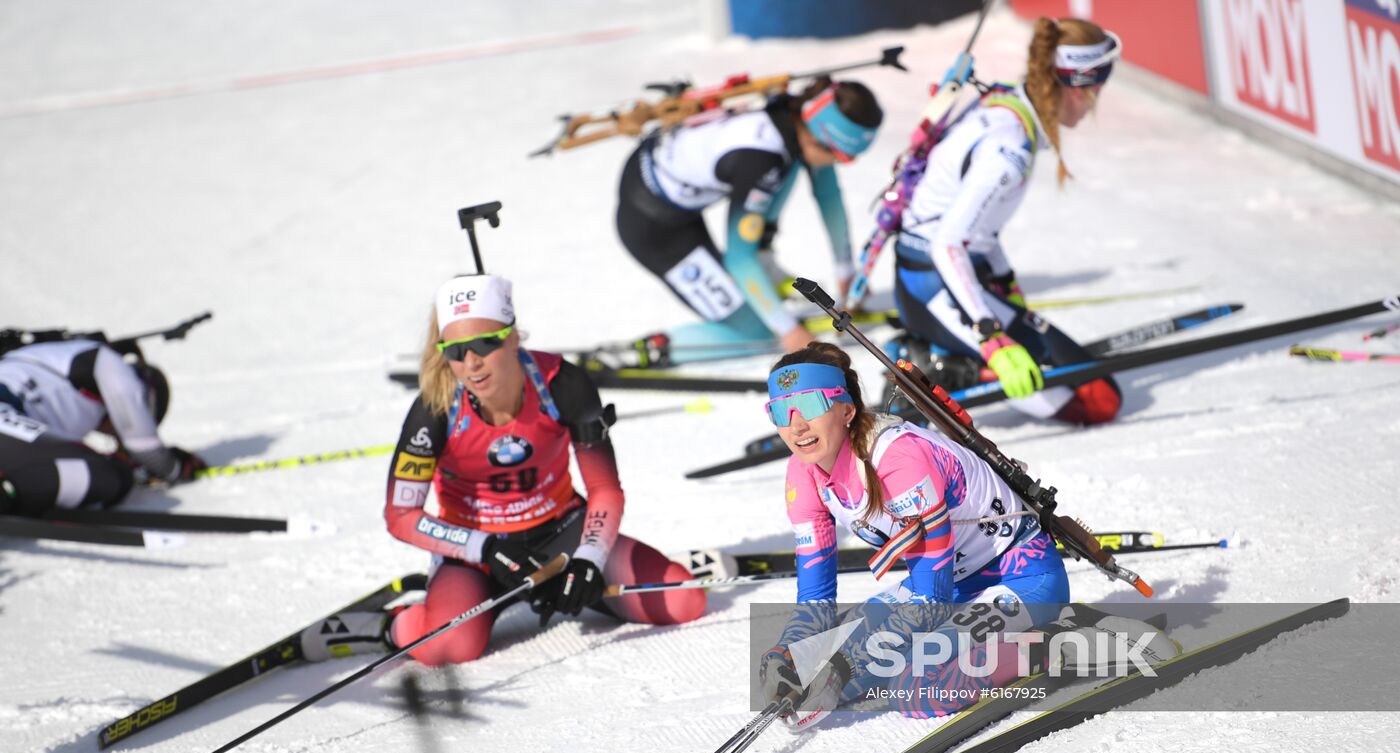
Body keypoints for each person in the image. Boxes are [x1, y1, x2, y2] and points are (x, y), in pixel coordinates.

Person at [303, 274, 706, 665]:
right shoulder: (436, 409)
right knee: (449, 649)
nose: (471, 362)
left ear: (513, 336)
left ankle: (589, 587)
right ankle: (388, 627)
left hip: (562, 532)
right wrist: (485, 548)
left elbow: (604, 488)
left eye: (484, 344)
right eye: (456, 350)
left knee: (685, 600)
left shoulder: (562, 384)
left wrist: (589, 559)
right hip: (476, 551)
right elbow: (401, 516)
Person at [756, 343, 1071, 727]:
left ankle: (1058, 644)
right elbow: (815, 598)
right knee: (813, 665)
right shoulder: (802, 472)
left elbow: (930, 600)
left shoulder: (898, 459)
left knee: (917, 689)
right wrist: (787, 655)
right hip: (952, 586)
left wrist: (844, 664)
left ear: (846, 410)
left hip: (1022, 579)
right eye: (779, 412)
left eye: (809, 406)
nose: (796, 426)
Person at [889, 17, 1124, 423]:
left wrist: (1005, 282)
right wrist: (993, 337)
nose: (1095, 101)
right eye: (1095, 89)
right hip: (932, 288)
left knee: (1100, 385)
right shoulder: (1009, 150)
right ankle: (941, 370)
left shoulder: (1010, 106)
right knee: (1099, 403)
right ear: (1074, 84)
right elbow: (948, 243)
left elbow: (979, 225)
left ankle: (947, 352)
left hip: (955, 279)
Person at [613, 77, 884, 366]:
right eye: (841, 156)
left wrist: (845, 270)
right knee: (755, 330)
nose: (839, 164)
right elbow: (739, 259)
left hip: (667, 183)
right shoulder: (761, 159)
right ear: (819, 137)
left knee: (790, 161)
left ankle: (763, 262)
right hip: (653, 226)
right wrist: (788, 331)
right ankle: (649, 350)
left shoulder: (794, 116)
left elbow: (827, 193)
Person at [0, 338, 204, 516]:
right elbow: (145, 449)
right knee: (111, 475)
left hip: (10, 423)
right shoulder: (110, 362)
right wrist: (175, 468)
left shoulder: (55, 365)